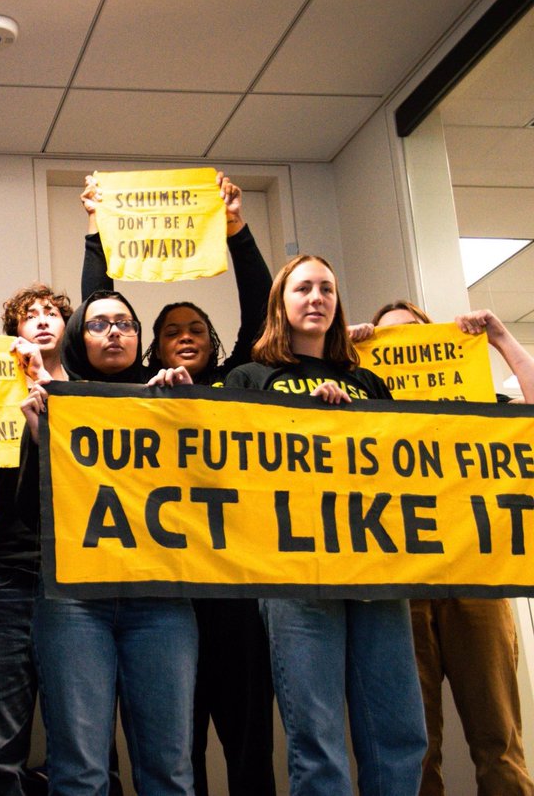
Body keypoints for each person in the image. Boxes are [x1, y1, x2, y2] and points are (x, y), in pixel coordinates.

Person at [81, 171, 276, 796]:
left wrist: (237, 230)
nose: (185, 335)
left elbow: (259, 305)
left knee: (250, 748)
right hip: (164, 598)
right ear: (151, 349)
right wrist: (95, 232)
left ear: (213, 344)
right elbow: (95, 307)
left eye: (196, 328)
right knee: (173, 754)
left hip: (236, 592)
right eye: (171, 330)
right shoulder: (132, 394)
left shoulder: (235, 382)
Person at [222, 255, 428, 796]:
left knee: (399, 732)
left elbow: (400, 464)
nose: (316, 298)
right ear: (280, 302)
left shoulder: (368, 382)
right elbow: (231, 466)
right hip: (294, 572)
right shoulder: (249, 377)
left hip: (377, 573)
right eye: (303, 288)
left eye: (327, 289)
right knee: (316, 737)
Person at [17, 290, 198, 796]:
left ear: (140, 337)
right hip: (75, 600)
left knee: (169, 771)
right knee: (80, 773)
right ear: (80, 337)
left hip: (161, 596)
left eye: (124, 322)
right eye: (98, 324)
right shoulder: (53, 397)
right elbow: (35, 507)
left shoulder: (170, 392)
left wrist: (188, 407)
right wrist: (40, 431)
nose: (113, 331)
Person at [351, 301, 534, 796]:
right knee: (415, 744)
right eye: (388, 341)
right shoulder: (363, 410)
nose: (403, 348)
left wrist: (499, 338)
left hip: (477, 579)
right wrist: (342, 353)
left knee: (499, 738)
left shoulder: (475, 400)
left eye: (413, 336)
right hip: (402, 588)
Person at [0, 284, 71, 796]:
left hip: (73, 578)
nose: (40, 320)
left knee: (76, 734)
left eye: (51, 313)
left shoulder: (85, 389)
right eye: (28, 315)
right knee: (3, 737)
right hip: (10, 571)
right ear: (15, 332)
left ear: (66, 326)